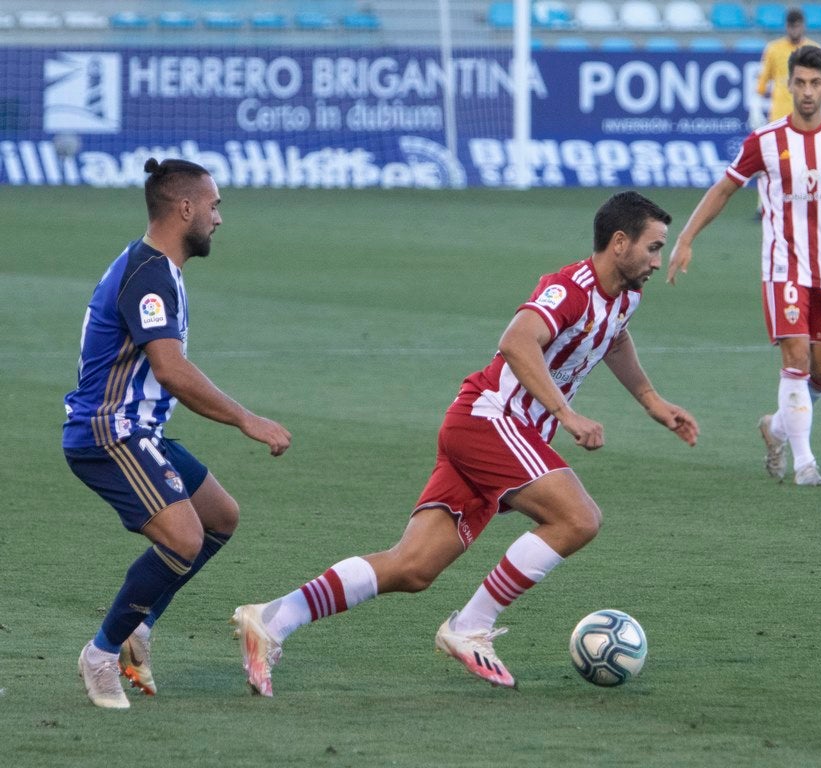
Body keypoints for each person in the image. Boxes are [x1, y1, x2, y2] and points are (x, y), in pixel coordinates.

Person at [231, 191, 698, 695]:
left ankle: (274, 619)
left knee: (413, 567)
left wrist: (651, 399)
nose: (658, 260)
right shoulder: (571, 289)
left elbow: (614, 335)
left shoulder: (625, 297)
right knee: (578, 518)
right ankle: (470, 627)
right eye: (653, 248)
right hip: (492, 421)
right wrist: (566, 414)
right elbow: (517, 341)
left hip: (494, 431)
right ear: (620, 242)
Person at [64, 157, 293, 709]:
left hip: (140, 429)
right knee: (184, 538)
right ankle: (100, 655)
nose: (218, 218)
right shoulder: (150, 275)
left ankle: (139, 627)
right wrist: (246, 418)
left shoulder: (156, 268)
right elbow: (170, 368)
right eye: (214, 206)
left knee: (219, 518)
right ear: (185, 207)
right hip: (108, 433)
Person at [668, 45, 821, 487]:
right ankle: (805, 463)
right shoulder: (765, 141)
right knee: (797, 357)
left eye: (815, 83)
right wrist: (686, 239)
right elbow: (723, 189)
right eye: (799, 83)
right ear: (788, 85)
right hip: (784, 268)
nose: (807, 92)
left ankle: (777, 426)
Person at [754, 7, 820, 127]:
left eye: (797, 26)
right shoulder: (774, 49)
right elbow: (762, 80)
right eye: (791, 27)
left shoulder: (814, 49)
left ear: (803, 26)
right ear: (786, 26)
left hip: (807, 114)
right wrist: (756, 109)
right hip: (780, 115)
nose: (794, 30)